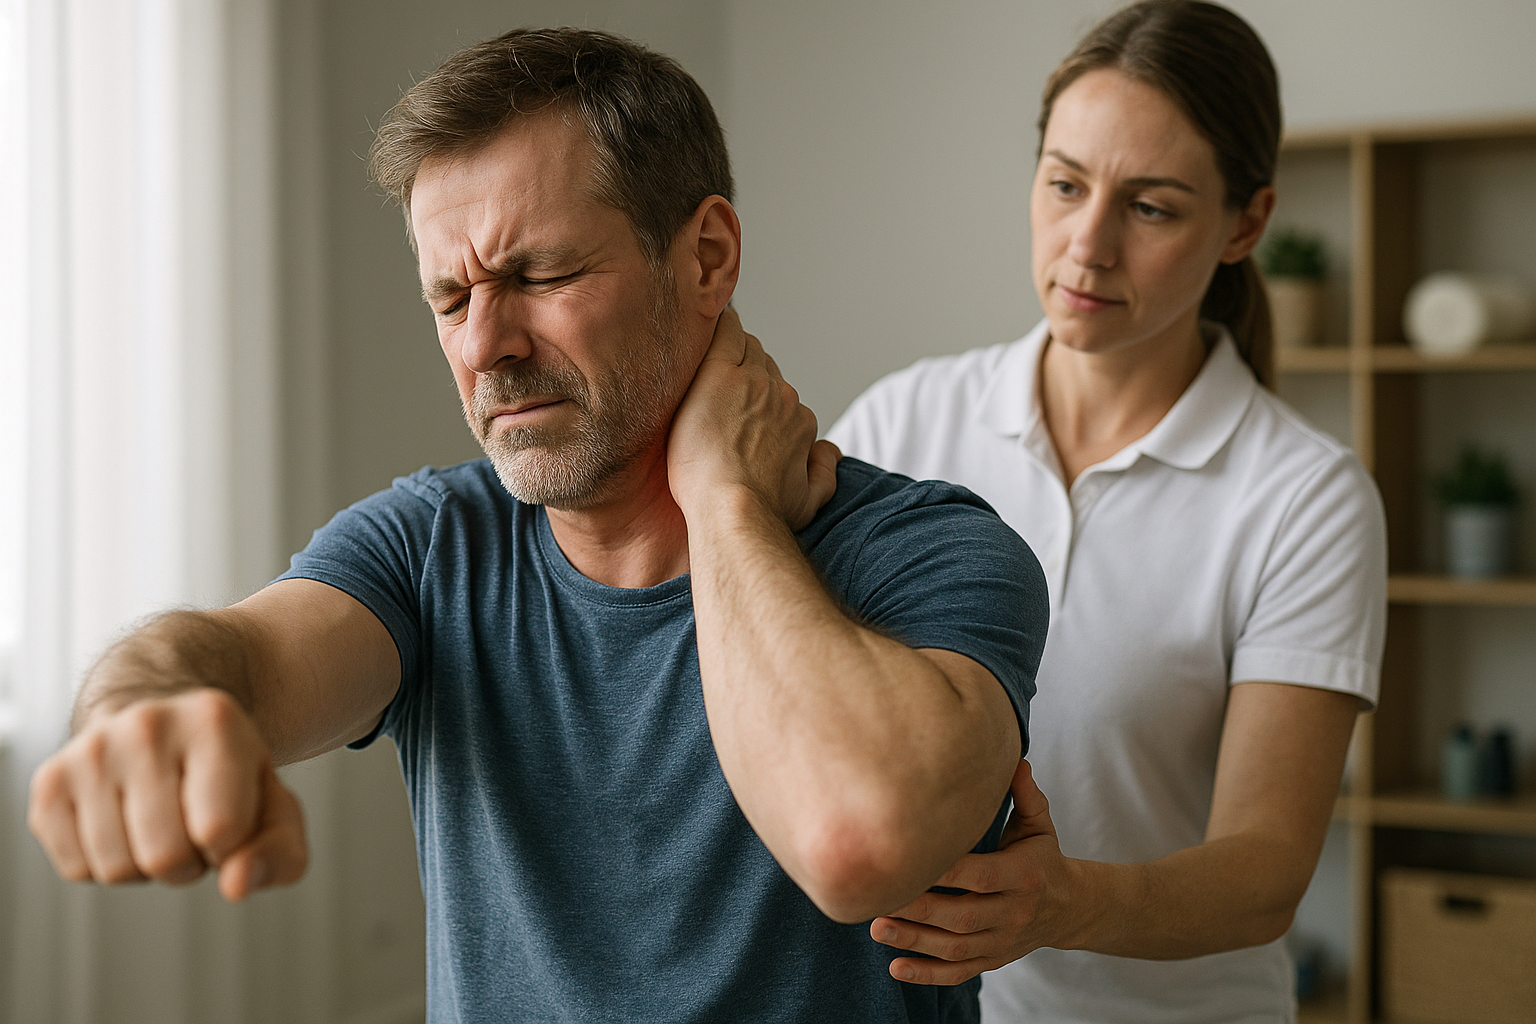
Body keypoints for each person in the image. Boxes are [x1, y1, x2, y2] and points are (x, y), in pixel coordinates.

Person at [26, 28, 1050, 1024]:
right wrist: (140, 704)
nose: (486, 346)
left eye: (540, 275)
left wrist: (725, 500)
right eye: (451, 297)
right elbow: (241, 660)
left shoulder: (928, 551)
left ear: (706, 257)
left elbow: (858, 844)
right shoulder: (431, 546)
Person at [826, 3, 1386, 1022]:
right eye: (1065, 184)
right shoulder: (903, 421)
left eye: (1152, 208)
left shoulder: (1306, 496)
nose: (1087, 246)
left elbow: (1266, 869)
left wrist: (1059, 904)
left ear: (1246, 224)